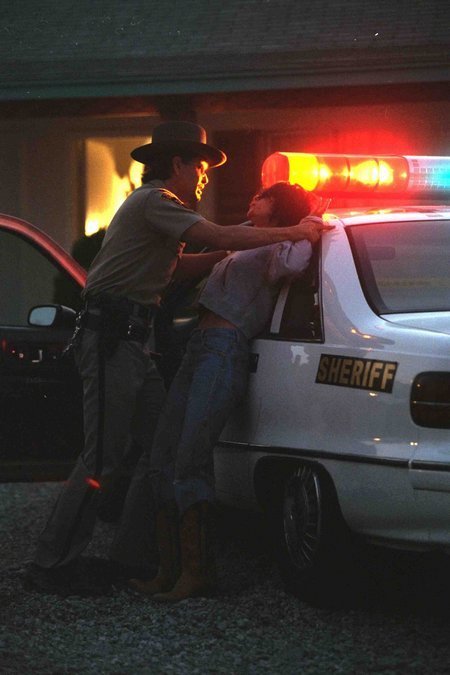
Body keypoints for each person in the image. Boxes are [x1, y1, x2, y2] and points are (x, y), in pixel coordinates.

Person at [26, 121, 332, 596]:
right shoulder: (157, 200)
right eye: (200, 167)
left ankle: (130, 558)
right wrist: (294, 229)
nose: (205, 177)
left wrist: (231, 250)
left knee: (159, 451)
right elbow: (212, 232)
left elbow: (179, 267)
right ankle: (53, 564)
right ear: (177, 164)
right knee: (103, 455)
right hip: (112, 339)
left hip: (135, 343)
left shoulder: (162, 211)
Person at [129, 181, 329, 602]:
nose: (254, 197)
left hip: (224, 347)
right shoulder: (245, 239)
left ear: (279, 207)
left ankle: (197, 572)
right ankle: (168, 569)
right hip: (198, 346)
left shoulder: (279, 246)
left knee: (191, 456)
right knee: (163, 454)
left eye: (264, 195)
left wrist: (310, 219)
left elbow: (297, 261)